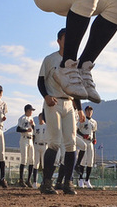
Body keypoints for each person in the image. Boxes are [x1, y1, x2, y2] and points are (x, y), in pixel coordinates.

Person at [38, 28, 82, 195]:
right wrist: (46, 96)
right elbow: (40, 81)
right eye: (65, 38)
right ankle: (47, 183)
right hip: (53, 102)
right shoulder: (50, 59)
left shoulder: (74, 62)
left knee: (71, 144)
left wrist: (80, 108)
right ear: (58, 41)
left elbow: (76, 86)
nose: (68, 40)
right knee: (55, 142)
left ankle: (68, 182)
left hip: (69, 103)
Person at [74, 105, 96, 189]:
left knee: (90, 161)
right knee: (83, 161)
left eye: (91, 111)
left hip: (90, 142)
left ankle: (87, 180)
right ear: (85, 111)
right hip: (84, 141)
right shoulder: (82, 120)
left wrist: (94, 139)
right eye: (88, 110)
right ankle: (80, 179)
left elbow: (94, 131)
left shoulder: (94, 122)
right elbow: (77, 130)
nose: (89, 112)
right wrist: (83, 135)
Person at [16, 104, 36, 187]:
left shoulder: (31, 119)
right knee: (24, 159)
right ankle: (21, 179)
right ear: (27, 110)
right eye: (31, 110)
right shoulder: (22, 118)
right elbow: (18, 129)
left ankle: (28, 180)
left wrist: (32, 125)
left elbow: (33, 129)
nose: (32, 112)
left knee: (32, 159)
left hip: (30, 139)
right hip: (24, 138)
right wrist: (26, 129)